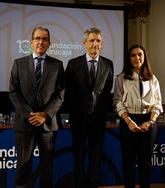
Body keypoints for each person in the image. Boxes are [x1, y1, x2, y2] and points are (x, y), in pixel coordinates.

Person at [9, 27, 65, 188]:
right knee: (23, 165)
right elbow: (14, 92)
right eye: (38, 38)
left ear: (49, 43)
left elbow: (60, 94)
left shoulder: (57, 65)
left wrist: (45, 115)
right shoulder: (18, 64)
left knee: (47, 167)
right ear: (31, 42)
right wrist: (30, 114)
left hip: (47, 124)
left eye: (45, 39)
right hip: (25, 123)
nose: (41, 42)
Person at [65, 27, 114, 188]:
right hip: (78, 119)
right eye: (91, 40)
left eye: (98, 41)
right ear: (84, 43)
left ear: (102, 43)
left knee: (95, 157)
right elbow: (68, 92)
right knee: (78, 157)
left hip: (98, 120)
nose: (95, 44)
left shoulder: (108, 64)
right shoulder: (73, 64)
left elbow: (106, 92)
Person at [113, 44, 163, 188]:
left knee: (145, 162)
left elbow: (158, 104)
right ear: (129, 59)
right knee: (128, 161)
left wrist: (150, 121)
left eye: (140, 54)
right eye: (133, 55)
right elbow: (117, 101)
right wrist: (128, 121)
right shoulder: (121, 78)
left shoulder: (153, 79)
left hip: (148, 122)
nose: (137, 58)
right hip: (128, 121)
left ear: (144, 57)